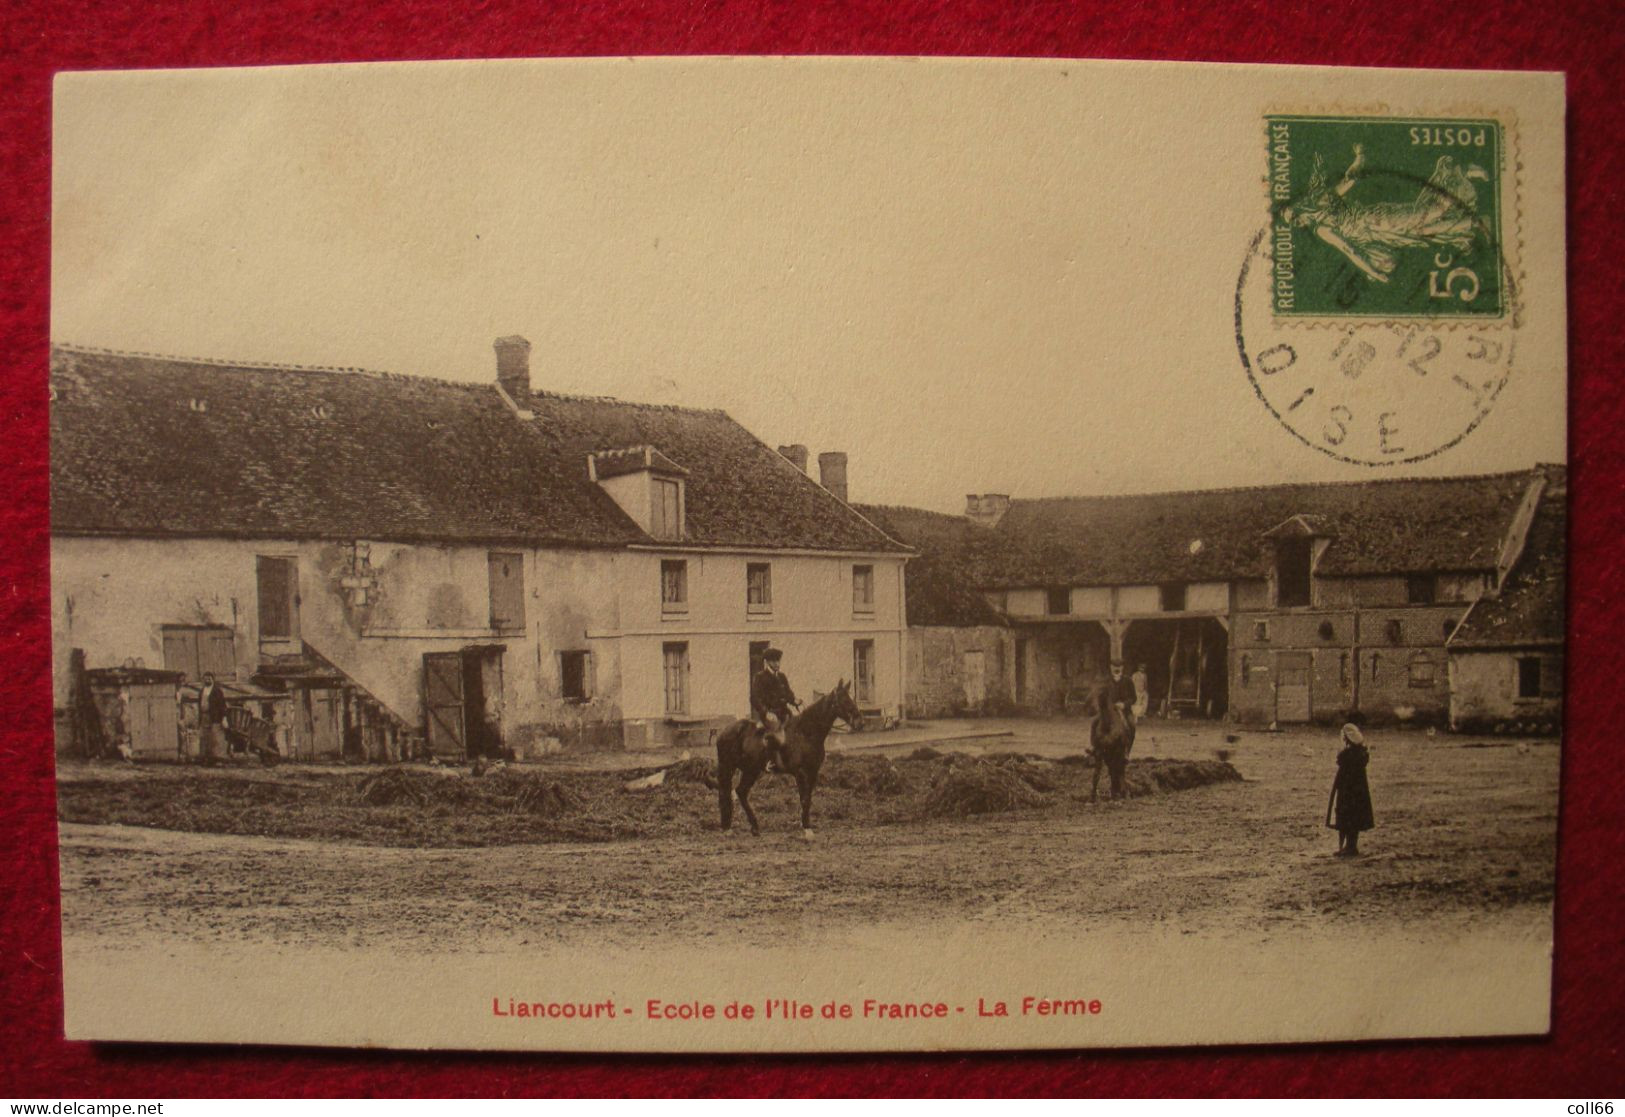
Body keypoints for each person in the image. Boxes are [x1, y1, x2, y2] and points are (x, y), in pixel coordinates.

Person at [1326, 722, 1375, 856]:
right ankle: (1350, 846)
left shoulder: (1348, 755)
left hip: (1347, 792)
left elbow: (1341, 761)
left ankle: (1349, 847)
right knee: (1354, 818)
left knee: (1346, 817)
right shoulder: (1360, 753)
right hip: (1358, 792)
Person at [750, 647, 800, 772]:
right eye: (774, 661)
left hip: (784, 713)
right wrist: (765, 712)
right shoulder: (760, 677)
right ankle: (769, 762)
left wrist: (795, 701)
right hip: (769, 715)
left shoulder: (782, 677)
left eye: (778, 661)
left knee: (796, 730)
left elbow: (788, 694)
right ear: (768, 662)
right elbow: (755, 698)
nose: (777, 664)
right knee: (776, 733)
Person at [198, 671, 228, 765]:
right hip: (204, 716)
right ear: (203, 680)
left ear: (213, 679)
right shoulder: (202, 691)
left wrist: (224, 718)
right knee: (205, 737)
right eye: (205, 678)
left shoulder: (217, 691)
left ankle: (219, 759)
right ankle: (207, 759)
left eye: (209, 678)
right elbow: (199, 704)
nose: (207, 680)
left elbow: (222, 705)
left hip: (215, 717)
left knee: (216, 738)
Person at [1105, 659, 1138, 729]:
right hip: (1110, 711)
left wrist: (1124, 704)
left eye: (1119, 666)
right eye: (1114, 666)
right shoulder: (1106, 681)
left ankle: (1129, 739)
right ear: (1111, 667)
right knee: (1096, 723)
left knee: (1131, 724)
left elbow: (1134, 698)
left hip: (1125, 711)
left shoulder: (1128, 681)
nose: (1116, 669)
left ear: (1122, 668)